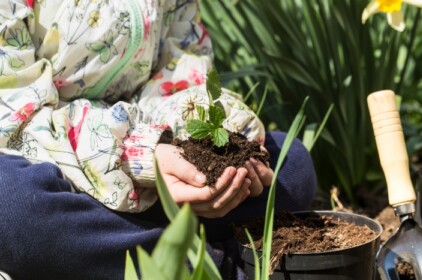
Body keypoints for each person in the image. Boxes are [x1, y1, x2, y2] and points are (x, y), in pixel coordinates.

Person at [0, 0, 317, 279]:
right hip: (36, 157)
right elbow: (15, 119)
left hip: (138, 175)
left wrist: (207, 153)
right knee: (14, 208)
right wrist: (139, 156)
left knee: (292, 167)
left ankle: (118, 257)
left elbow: (179, 75)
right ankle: (217, 267)